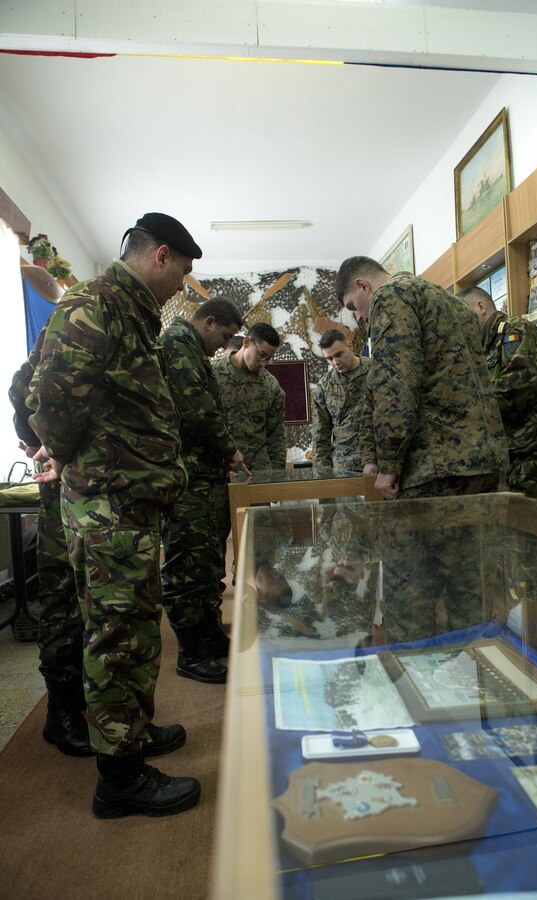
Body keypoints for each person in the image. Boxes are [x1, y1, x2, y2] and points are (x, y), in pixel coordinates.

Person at [27, 212, 203, 819]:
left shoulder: (127, 310)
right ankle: (119, 778)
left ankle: (129, 729)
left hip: (127, 504)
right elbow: (48, 400)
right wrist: (81, 460)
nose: (182, 284)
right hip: (108, 506)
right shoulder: (95, 304)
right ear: (158, 256)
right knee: (113, 633)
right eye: (182, 269)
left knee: (133, 628)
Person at [336, 257, 508, 500]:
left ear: (363, 285)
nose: (360, 317)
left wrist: (388, 466)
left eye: (354, 306)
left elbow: (395, 386)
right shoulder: (455, 304)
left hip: (436, 467)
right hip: (485, 460)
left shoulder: (390, 296)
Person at [9, 329, 90, 757]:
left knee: (85, 607)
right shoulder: (43, 363)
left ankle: (78, 705)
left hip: (87, 498)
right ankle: (60, 713)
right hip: (60, 505)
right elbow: (20, 396)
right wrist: (44, 445)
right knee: (61, 607)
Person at [160, 298, 247, 685]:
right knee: (186, 567)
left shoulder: (193, 348)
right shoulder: (178, 342)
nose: (223, 347)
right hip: (188, 477)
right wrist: (229, 447)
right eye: (225, 337)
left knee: (208, 561)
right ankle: (190, 652)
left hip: (205, 477)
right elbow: (196, 409)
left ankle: (209, 635)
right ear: (209, 322)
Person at [458, 285, 537, 503]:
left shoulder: (514, 330)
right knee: (517, 530)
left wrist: (470, 405)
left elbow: (521, 384)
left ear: (480, 306)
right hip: (512, 455)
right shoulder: (482, 349)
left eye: (463, 315)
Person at [211, 322, 286, 567]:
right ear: (246, 342)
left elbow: (275, 437)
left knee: (258, 551)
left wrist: (275, 479)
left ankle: (253, 598)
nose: (264, 363)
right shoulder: (211, 375)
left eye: (269, 359)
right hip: (216, 476)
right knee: (212, 544)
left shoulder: (271, 387)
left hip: (256, 475)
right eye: (261, 355)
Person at [311, 328, 372, 473]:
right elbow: (320, 437)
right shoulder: (324, 387)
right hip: (344, 466)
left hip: (378, 461)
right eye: (329, 358)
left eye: (339, 354)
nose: (335, 362)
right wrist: (323, 477)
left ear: (349, 346)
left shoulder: (376, 370)